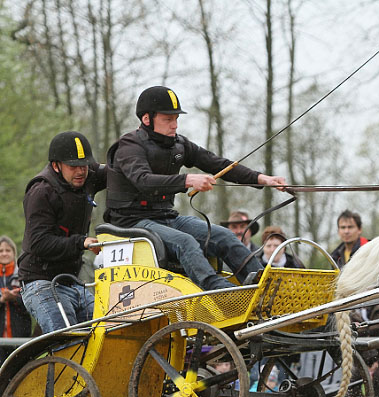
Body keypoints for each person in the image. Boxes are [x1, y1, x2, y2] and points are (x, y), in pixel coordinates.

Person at [105, 86, 287, 290]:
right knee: (186, 242)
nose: (174, 125)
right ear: (147, 119)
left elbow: (218, 164)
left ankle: (267, 287)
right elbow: (144, 181)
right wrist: (187, 180)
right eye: (167, 119)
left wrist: (262, 179)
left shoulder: (179, 144)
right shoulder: (129, 146)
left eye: (176, 119)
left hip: (166, 217)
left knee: (223, 236)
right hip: (132, 222)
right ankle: (222, 293)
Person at [19, 131, 105, 333]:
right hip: (39, 282)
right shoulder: (41, 192)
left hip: (72, 282)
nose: (80, 171)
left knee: (109, 329)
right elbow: (39, 243)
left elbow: (120, 170)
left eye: (84, 166)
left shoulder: (87, 178)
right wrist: (80, 242)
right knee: (68, 339)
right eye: (73, 166)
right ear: (56, 166)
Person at [0, 237, 31, 360]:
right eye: (1, 250)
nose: (4, 253)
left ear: (14, 253)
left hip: (20, 337)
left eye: (8, 250)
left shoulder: (23, 275)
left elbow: (32, 305)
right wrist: (2, 300)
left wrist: (14, 299)